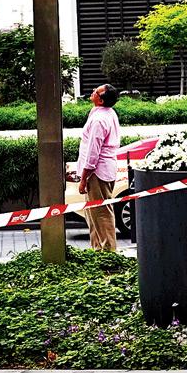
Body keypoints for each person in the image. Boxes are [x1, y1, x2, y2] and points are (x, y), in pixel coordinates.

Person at [72, 84, 121, 250]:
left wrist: (83, 179)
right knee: (93, 213)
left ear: (101, 100)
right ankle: (97, 250)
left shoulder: (99, 120)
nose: (92, 92)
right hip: (102, 169)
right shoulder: (106, 112)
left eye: (96, 92)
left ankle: (108, 252)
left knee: (101, 213)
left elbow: (93, 152)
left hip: (97, 172)